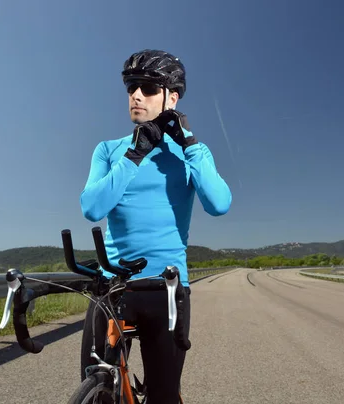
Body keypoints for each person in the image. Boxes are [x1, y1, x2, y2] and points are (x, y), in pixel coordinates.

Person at [78, 49, 232, 403]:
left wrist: (189, 144)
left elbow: (219, 204)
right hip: (113, 288)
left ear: (171, 97)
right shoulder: (109, 150)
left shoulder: (193, 152)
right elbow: (92, 207)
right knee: (98, 387)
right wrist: (135, 154)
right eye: (132, 86)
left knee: (163, 395)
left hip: (166, 290)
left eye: (148, 88)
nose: (136, 95)